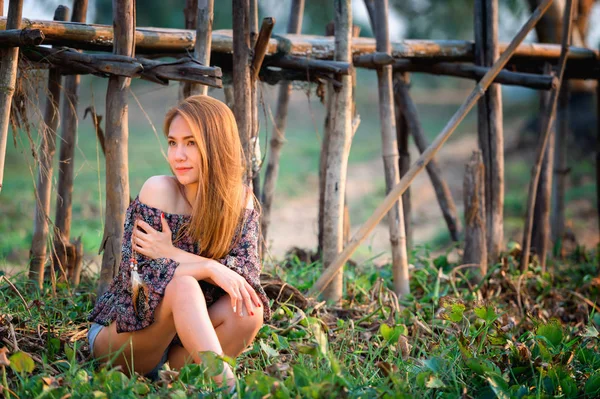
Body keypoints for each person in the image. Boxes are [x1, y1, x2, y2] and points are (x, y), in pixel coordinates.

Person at [87, 95, 271, 389]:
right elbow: (137, 281)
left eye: (191, 143)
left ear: (216, 145)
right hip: (126, 339)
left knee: (249, 309)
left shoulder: (239, 201)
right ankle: (228, 388)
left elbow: (243, 281)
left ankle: (178, 378)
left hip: (180, 351)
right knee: (182, 285)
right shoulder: (158, 191)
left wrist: (176, 255)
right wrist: (209, 269)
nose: (178, 155)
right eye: (173, 143)